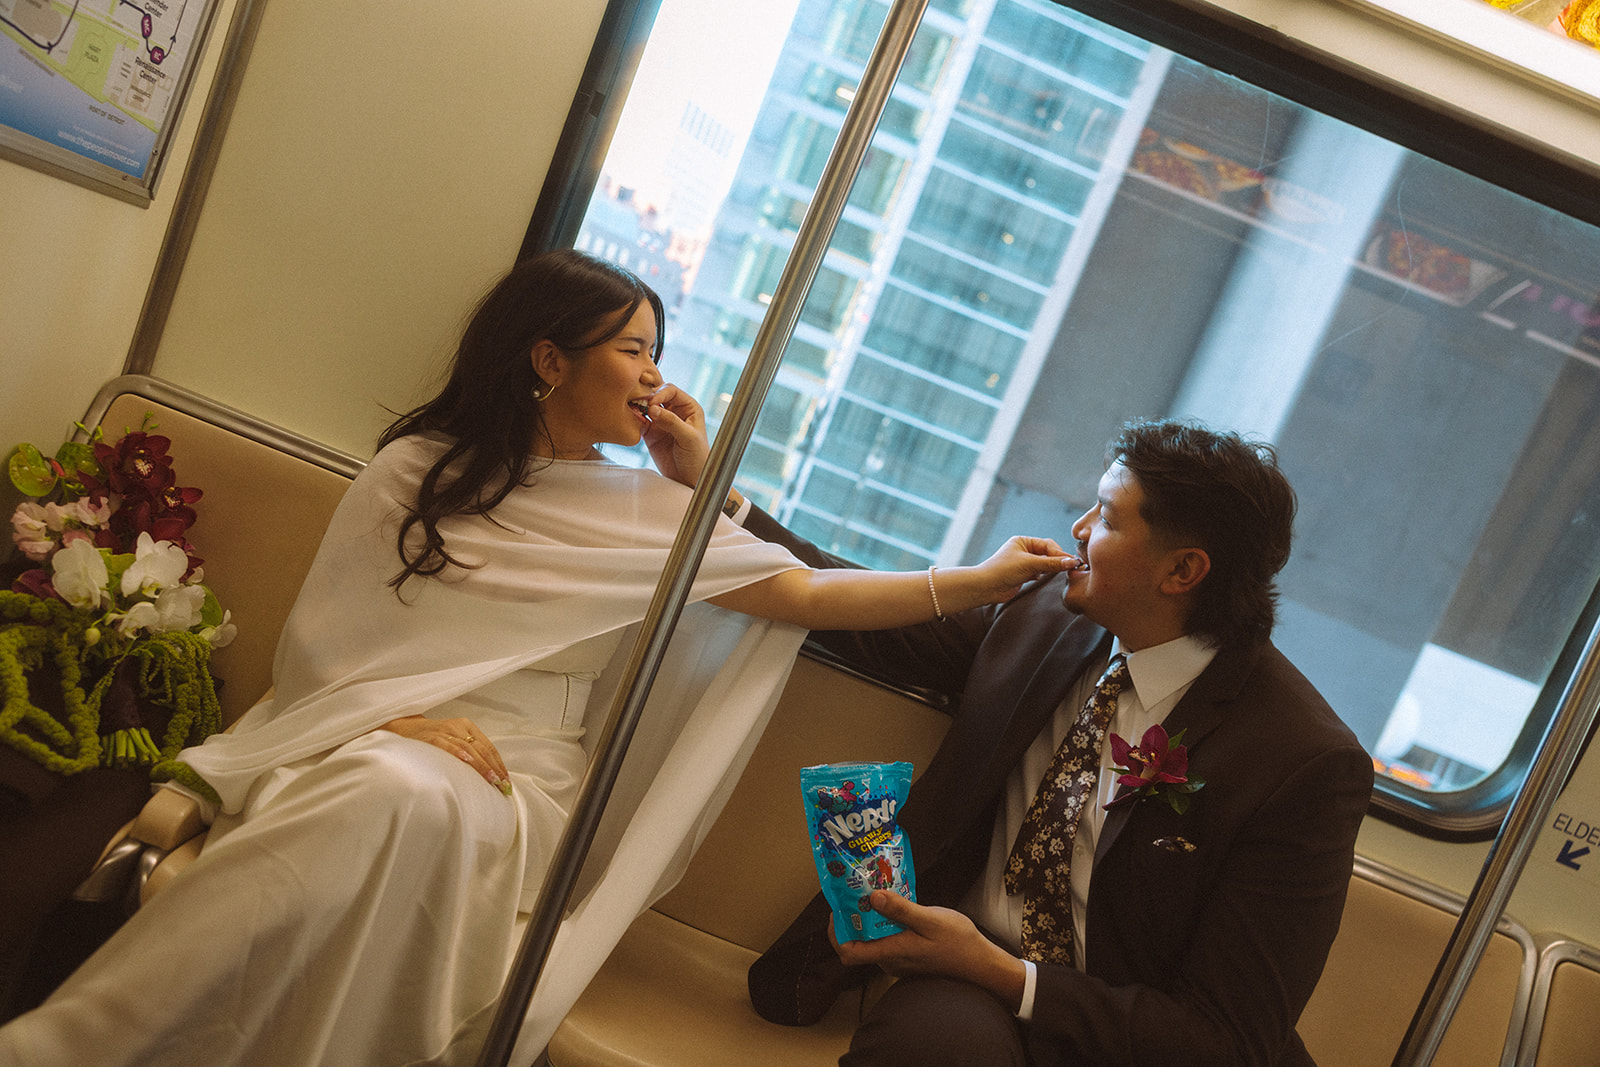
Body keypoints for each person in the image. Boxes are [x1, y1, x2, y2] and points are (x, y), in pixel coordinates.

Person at [0, 250, 1072, 1067]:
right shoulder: (413, 470)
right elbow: (328, 649)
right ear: (548, 358)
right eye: (632, 348)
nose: (654, 374)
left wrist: (969, 579)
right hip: (363, 735)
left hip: (523, 772)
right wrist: (394, 721)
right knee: (389, 784)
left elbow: (801, 592)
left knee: (411, 799)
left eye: (657, 350)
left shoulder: (648, 507)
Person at [721, 419, 1375, 1066]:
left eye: (1110, 517)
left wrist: (1013, 977)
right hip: (967, 989)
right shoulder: (1043, 619)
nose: (1080, 529)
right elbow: (871, 618)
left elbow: (1225, 1038)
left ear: (1182, 569)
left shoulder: (1303, 762)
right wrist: (723, 502)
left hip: (1138, 1034)